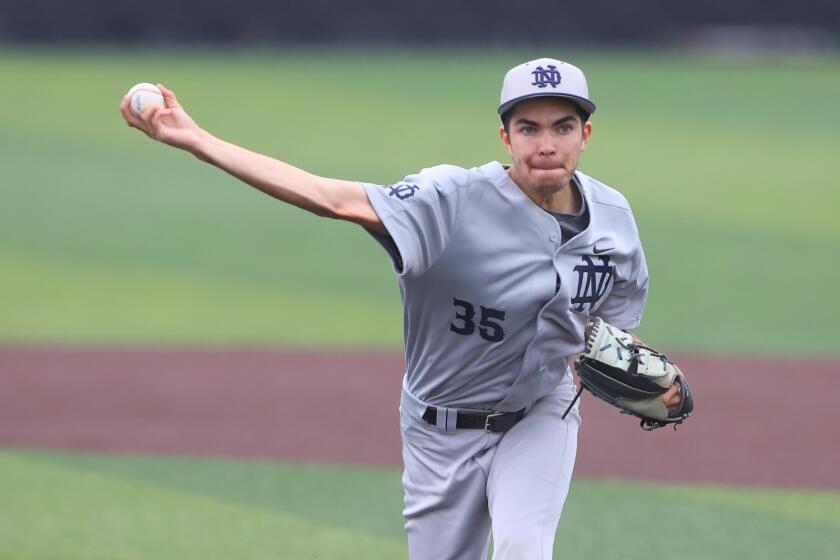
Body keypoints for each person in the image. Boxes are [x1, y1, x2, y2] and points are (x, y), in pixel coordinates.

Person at [120, 57, 681, 560]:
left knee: (522, 548)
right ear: (505, 137)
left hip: (540, 414)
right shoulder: (449, 201)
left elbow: (606, 328)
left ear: (585, 135)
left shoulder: (613, 218)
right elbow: (329, 198)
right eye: (528, 128)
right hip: (441, 429)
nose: (546, 144)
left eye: (562, 127)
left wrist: (639, 375)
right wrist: (198, 140)